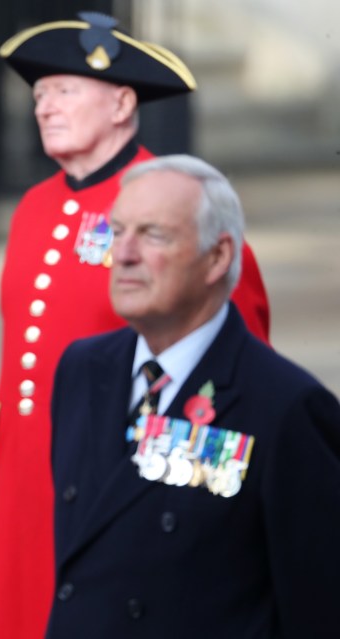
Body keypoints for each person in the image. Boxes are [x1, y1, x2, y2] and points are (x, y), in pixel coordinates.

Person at [0, 12, 272, 638]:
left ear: (122, 102)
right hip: (23, 484)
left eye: (64, 91)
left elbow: (236, 374)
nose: (45, 107)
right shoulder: (35, 207)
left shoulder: (180, 205)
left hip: (125, 477)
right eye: (39, 95)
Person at [48, 154, 340, 637]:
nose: (122, 254)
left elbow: (319, 608)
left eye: (153, 234)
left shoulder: (285, 407)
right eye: (118, 232)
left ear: (218, 257)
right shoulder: (82, 369)